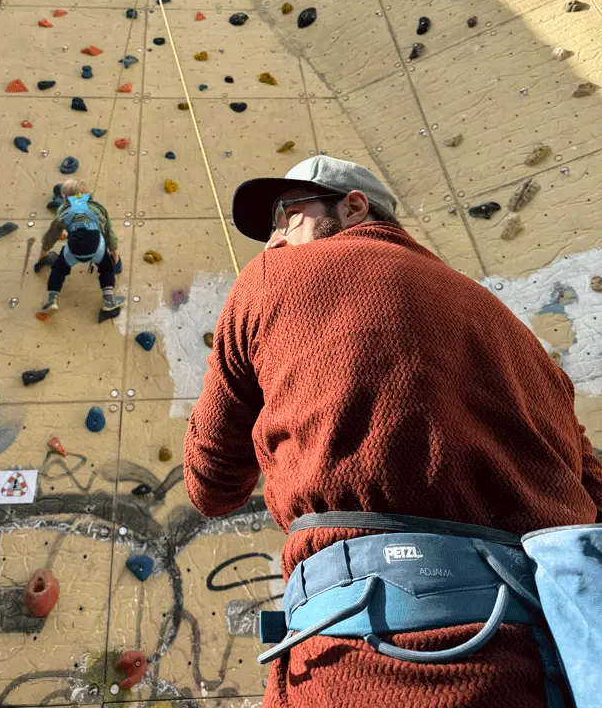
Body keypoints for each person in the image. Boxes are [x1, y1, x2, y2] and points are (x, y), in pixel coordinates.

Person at [183, 155, 602, 708]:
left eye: (288, 215)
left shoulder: (273, 277)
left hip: (368, 661)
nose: (274, 239)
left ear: (354, 206)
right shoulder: (511, 327)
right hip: (548, 658)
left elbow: (210, 485)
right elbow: (592, 491)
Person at [36, 179, 121, 315]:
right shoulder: (97, 209)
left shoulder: (63, 212)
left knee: (58, 269)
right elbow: (108, 231)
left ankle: (52, 299)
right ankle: (108, 300)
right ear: (89, 195)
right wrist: (114, 249)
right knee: (107, 268)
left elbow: (52, 234)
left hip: (73, 251)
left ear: (64, 198)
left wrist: (44, 252)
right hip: (96, 249)